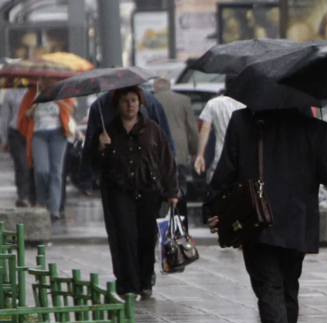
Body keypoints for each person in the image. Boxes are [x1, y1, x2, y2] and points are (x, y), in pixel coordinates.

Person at [206, 107, 327, 323]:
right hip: (297, 220)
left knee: (269, 287)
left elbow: (226, 170)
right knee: (289, 288)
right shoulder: (315, 127)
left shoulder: (245, 120)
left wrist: (212, 207)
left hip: (256, 217)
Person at [83, 88, 177, 296]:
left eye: (134, 100)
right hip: (120, 191)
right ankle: (130, 285)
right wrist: (100, 147)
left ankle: (145, 281)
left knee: (146, 237)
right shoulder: (108, 130)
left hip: (148, 190)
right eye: (125, 101)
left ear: (140, 103)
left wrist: (172, 191)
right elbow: (95, 163)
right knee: (125, 236)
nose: (130, 104)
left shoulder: (152, 129)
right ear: (117, 105)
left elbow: (166, 159)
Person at [17, 78, 75, 220]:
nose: (48, 82)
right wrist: (33, 107)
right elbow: (24, 115)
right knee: (42, 170)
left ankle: (54, 209)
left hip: (58, 135)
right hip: (38, 134)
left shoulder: (61, 92)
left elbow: (70, 108)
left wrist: (58, 100)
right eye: (44, 79)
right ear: (40, 81)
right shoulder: (32, 93)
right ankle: (42, 201)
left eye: (50, 79)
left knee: (56, 172)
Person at [153, 74, 198, 228]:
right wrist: (194, 151)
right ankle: (180, 224)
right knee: (180, 187)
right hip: (179, 151)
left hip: (157, 152)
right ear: (169, 85)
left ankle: (159, 223)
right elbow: (192, 129)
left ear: (155, 86)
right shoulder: (183, 100)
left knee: (158, 189)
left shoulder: (151, 100)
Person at [194, 75, 246, 182]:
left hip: (220, 159)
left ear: (225, 84)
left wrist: (200, 155)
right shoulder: (246, 103)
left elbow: (205, 129)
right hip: (243, 158)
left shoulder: (214, 103)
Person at [1, 87, 32, 207]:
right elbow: (5, 117)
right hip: (16, 132)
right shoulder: (10, 94)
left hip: (32, 131)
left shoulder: (34, 92)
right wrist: (4, 139)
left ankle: (32, 194)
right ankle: (23, 195)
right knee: (21, 164)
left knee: (31, 165)